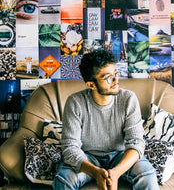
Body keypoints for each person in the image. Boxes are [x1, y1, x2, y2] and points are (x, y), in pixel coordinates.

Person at [53, 49, 159, 190]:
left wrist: (115, 173)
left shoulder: (128, 98)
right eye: (108, 77)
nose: (116, 80)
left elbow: (136, 143)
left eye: (116, 74)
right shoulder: (75, 102)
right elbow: (70, 148)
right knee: (63, 180)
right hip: (87, 157)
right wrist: (96, 173)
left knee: (148, 175)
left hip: (120, 156)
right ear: (91, 85)